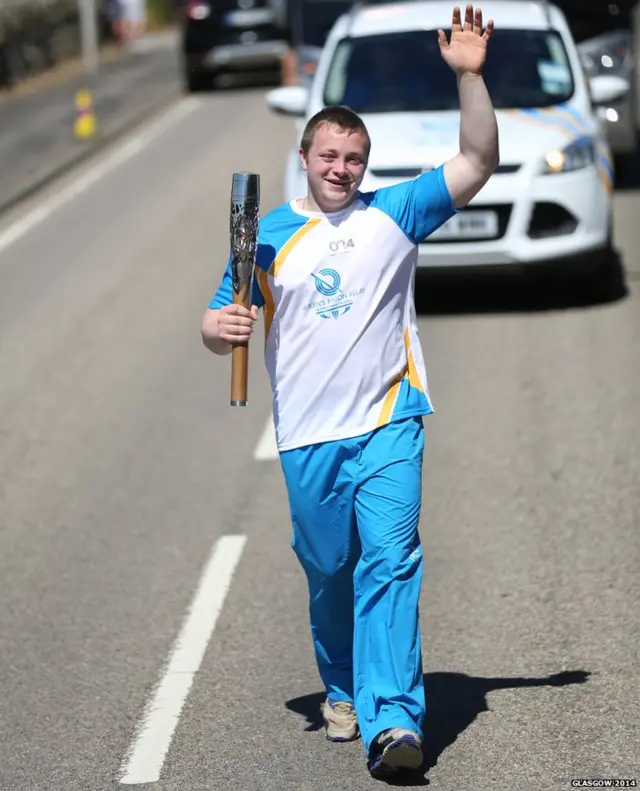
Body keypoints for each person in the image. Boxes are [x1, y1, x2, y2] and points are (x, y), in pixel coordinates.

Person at [201, 4, 499, 780]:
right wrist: (223, 326)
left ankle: (395, 721)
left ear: (367, 163)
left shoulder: (396, 214)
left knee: (391, 562)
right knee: (330, 570)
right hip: (306, 434)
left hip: (390, 420)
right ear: (304, 155)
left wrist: (470, 78)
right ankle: (341, 685)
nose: (341, 168)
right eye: (329, 154)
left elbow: (477, 159)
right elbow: (216, 318)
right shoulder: (264, 234)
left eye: (354, 157)